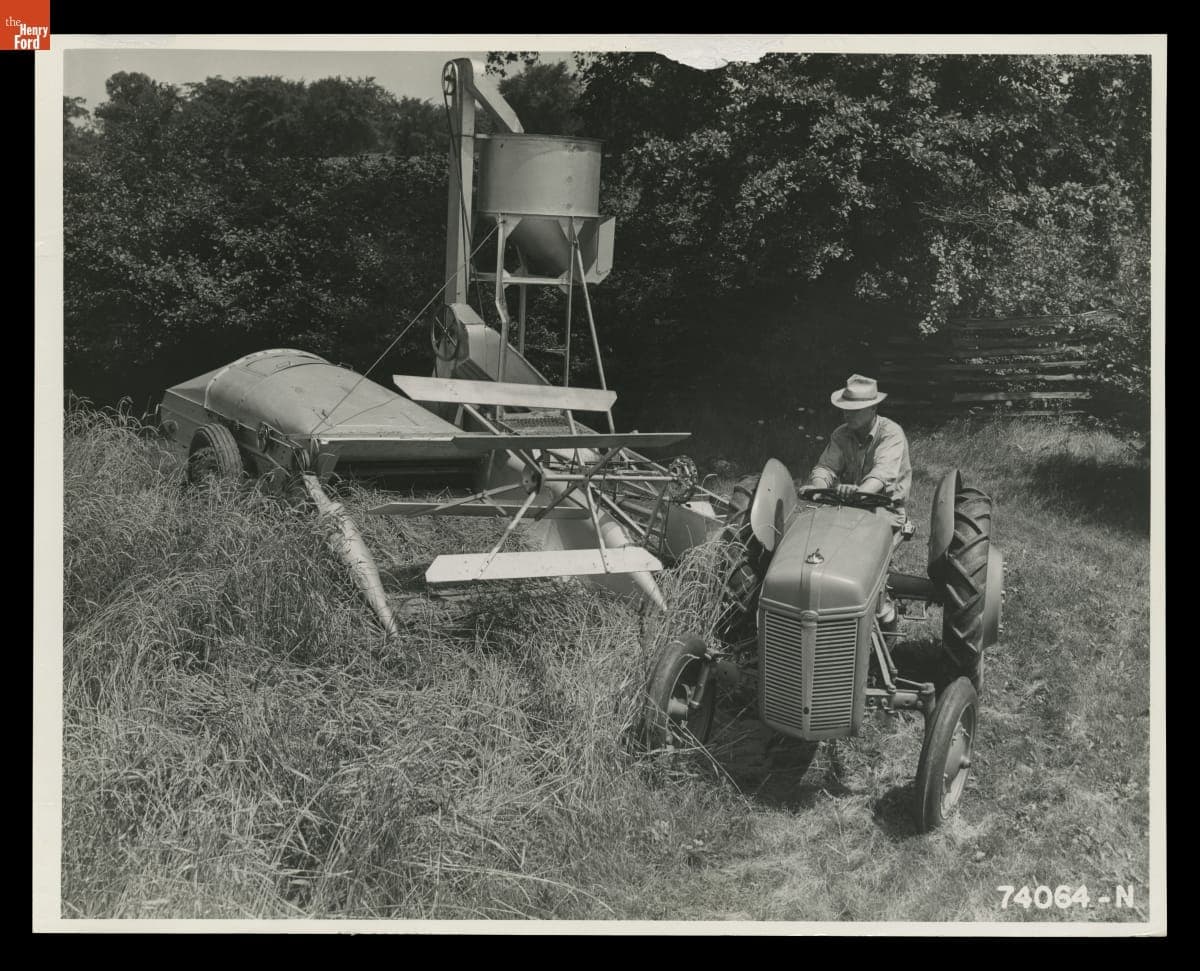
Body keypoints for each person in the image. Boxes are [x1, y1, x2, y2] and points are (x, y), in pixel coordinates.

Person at [804, 373, 912, 631]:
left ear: (873, 408)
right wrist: (819, 487)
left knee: (863, 565)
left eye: (854, 410)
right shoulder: (841, 434)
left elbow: (881, 476)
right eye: (844, 408)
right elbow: (825, 467)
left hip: (884, 510)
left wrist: (858, 493)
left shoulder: (891, 434)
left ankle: (883, 613)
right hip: (847, 509)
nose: (846, 415)